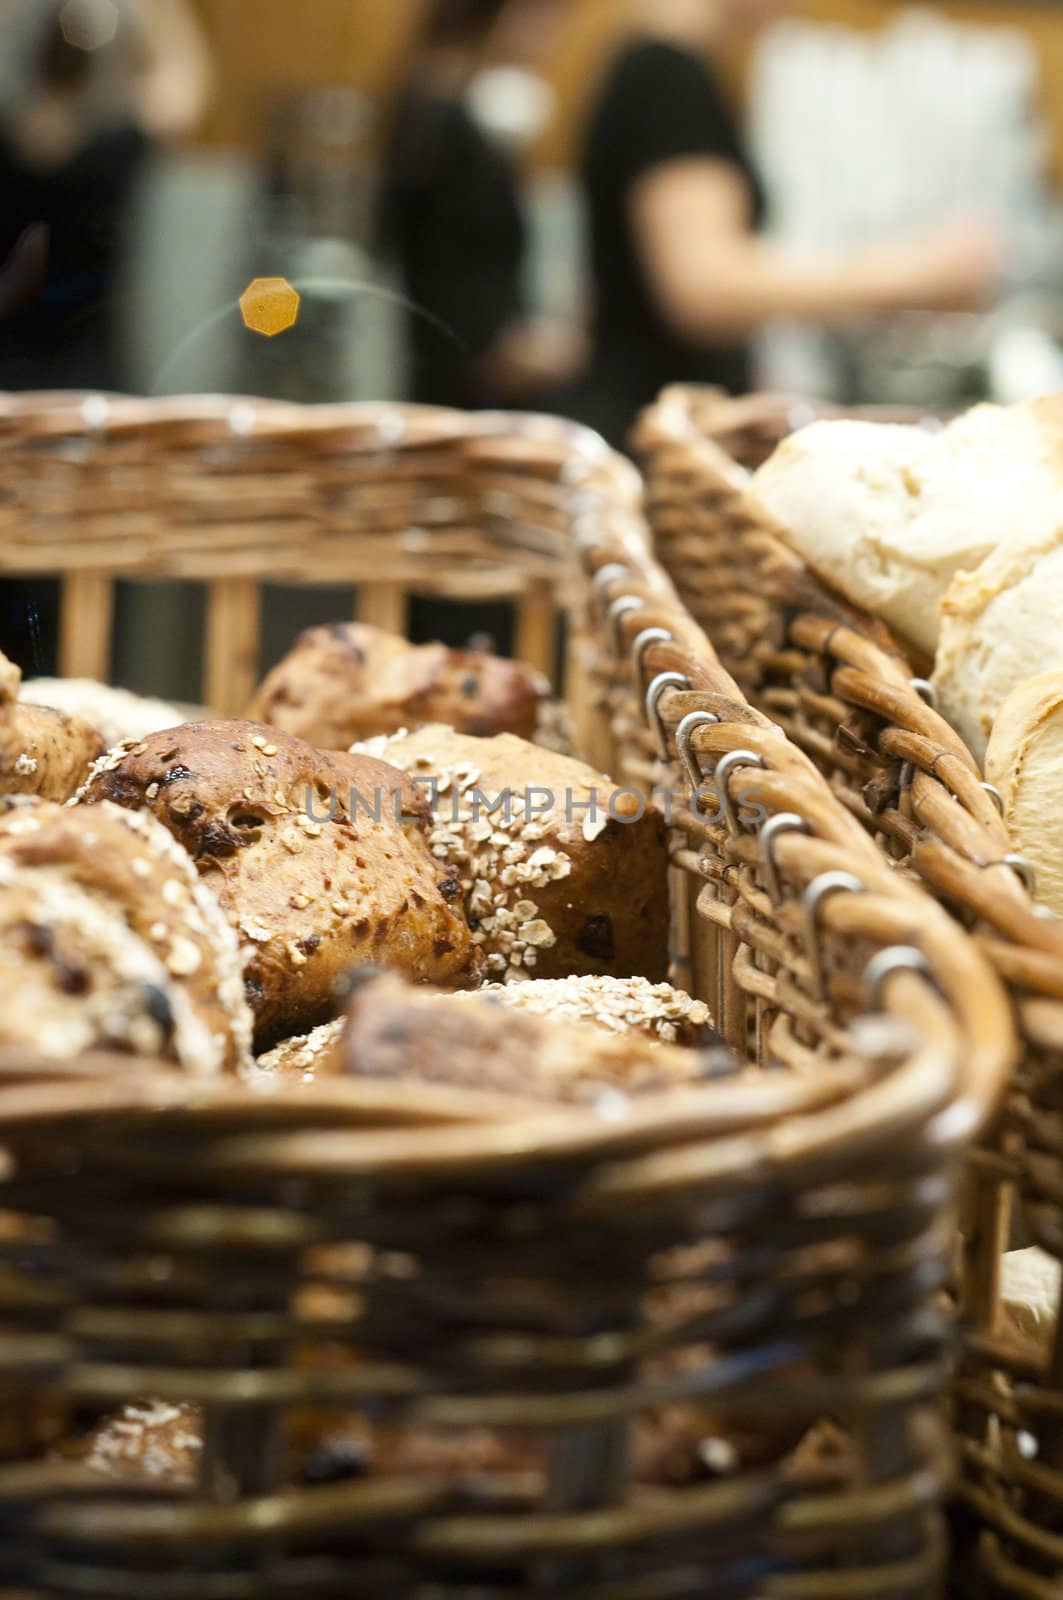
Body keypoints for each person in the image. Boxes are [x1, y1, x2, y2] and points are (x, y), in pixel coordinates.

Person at [573, 0, 1004, 447]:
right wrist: (915, 274)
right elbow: (705, 285)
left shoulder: (664, 66)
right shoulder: (667, 75)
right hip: (653, 431)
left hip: (656, 420)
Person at [0, 0, 212, 675]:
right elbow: (186, 81)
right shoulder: (118, 143)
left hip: (8, 382)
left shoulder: (10, 143)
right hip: (90, 393)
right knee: (86, 592)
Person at [378, 0, 584, 414]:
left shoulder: (427, 109)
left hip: (452, 381)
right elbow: (452, 280)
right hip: (468, 394)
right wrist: (521, 355)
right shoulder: (443, 127)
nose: (552, 42)